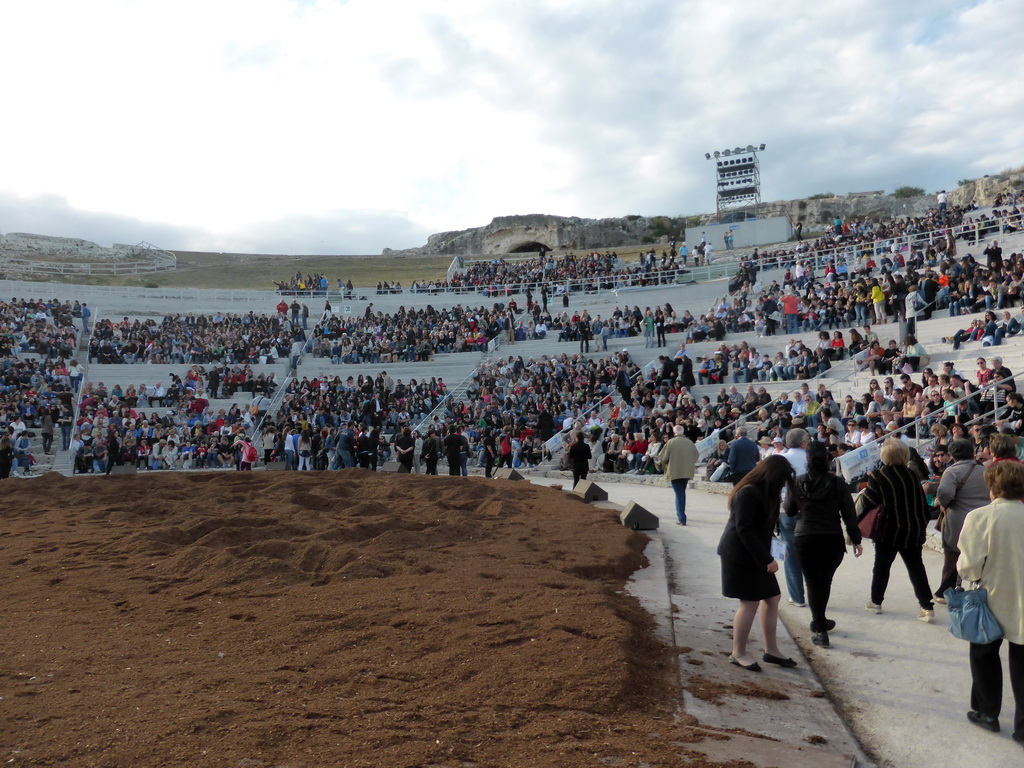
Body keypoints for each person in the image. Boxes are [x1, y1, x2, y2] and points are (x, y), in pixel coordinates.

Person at [957, 459, 1024, 744]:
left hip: (992, 596)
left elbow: (969, 567)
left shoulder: (980, 517)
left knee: (983, 655)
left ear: (992, 487)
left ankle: (988, 713)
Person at [717, 455, 798, 671]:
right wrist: (767, 559)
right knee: (749, 602)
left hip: (755, 552)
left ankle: (771, 650)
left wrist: (776, 549)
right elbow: (744, 529)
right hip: (739, 555)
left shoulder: (765, 492)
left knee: (772, 597)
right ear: (771, 476)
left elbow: (762, 527)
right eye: (781, 480)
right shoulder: (748, 492)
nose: (782, 485)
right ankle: (738, 653)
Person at [785, 442, 863, 647]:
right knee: (824, 582)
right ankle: (819, 621)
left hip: (805, 536)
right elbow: (849, 514)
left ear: (808, 460)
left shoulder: (798, 482)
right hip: (831, 537)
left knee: (812, 582)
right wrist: (856, 539)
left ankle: (819, 624)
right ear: (828, 460)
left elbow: (790, 511)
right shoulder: (838, 483)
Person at [859, 437, 936, 621]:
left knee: (882, 567)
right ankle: (927, 607)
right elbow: (921, 503)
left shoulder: (879, 476)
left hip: (889, 532)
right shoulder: (911, 474)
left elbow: (868, 501)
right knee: (916, 568)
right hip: (913, 530)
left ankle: (876, 602)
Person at [933, 438, 989, 601]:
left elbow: (944, 494)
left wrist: (942, 504)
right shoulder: (985, 470)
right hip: (982, 520)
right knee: (981, 557)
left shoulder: (951, 472)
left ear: (952, 455)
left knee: (953, 556)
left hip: (958, 520)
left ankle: (946, 591)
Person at [780, 428, 809, 607]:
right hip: (809, 510)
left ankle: (797, 596)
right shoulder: (810, 458)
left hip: (786, 509)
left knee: (790, 554)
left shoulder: (781, 459)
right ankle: (814, 593)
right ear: (803, 442)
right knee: (811, 554)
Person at [660, 425, 698, 525]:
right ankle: (682, 515)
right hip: (686, 472)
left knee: (679, 494)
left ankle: (681, 518)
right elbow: (696, 457)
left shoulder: (671, 442)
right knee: (682, 493)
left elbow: (663, 457)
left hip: (675, 471)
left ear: (674, 433)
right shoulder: (690, 442)